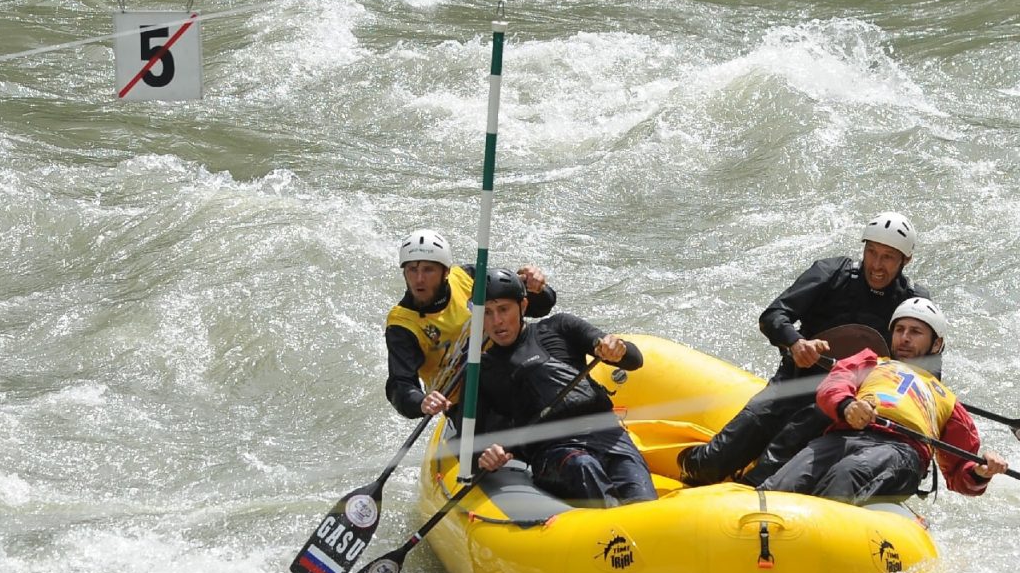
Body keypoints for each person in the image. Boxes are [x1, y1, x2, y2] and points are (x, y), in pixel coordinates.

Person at [677, 212, 934, 487]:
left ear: (905, 261)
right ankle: (692, 464)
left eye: (888, 257)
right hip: (795, 383)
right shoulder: (832, 273)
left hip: (847, 403)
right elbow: (773, 315)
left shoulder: (913, 302)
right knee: (714, 462)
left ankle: (753, 484)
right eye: (872, 253)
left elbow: (926, 372)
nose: (877, 265)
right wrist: (795, 342)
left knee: (776, 459)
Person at [760, 298, 1009, 504]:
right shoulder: (871, 361)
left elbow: (958, 474)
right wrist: (847, 405)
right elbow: (832, 386)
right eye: (899, 330)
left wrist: (980, 471)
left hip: (901, 450)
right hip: (844, 436)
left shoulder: (947, 400)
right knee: (782, 484)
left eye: (915, 332)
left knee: (847, 474)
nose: (905, 338)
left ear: (937, 343)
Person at [470, 269, 657, 508]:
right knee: (583, 467)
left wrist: (617, 349)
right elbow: (473, 441)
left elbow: (634, 359)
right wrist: (487, 454)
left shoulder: (559, 327)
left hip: (607, 434)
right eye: (486, 313)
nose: (497, 321)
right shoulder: (482, 370)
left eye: (504, 309)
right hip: (553, 452)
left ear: (523, 306)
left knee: (640, 494)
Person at [384, 229, 554, 418]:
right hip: (465, 402)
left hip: (509, 365)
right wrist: (420, 402)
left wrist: (537, 287)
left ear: (445, 272)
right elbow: (400, 384)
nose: (419, 279)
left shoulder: (468, 278)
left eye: (428, 269)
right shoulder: (402, 324)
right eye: (412, 270)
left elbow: (540, 307)